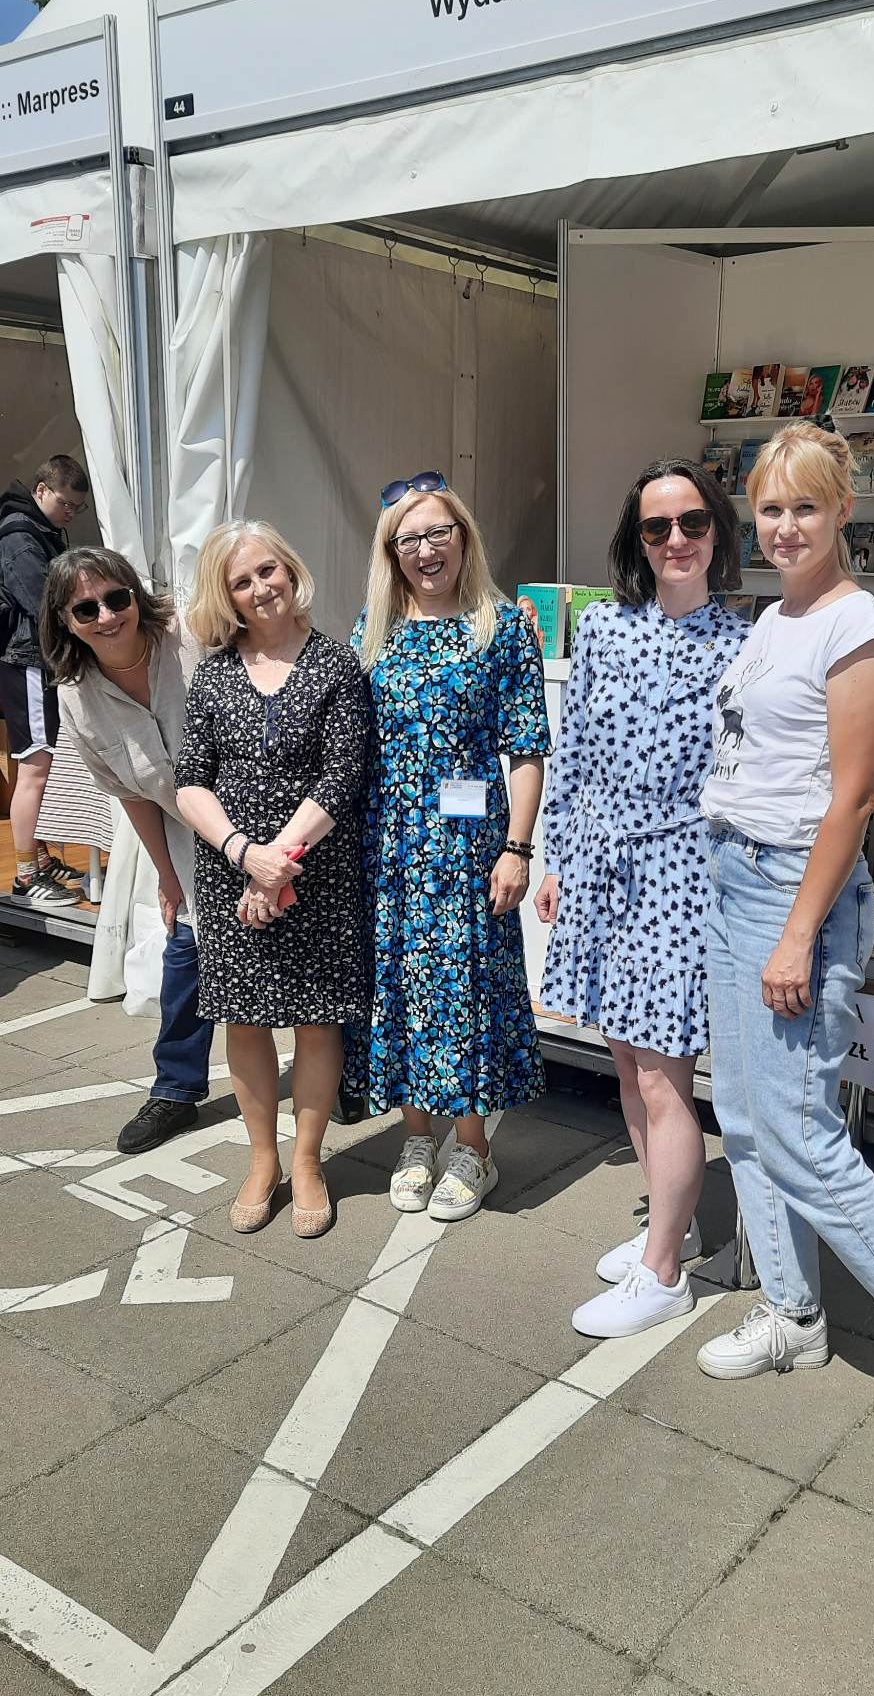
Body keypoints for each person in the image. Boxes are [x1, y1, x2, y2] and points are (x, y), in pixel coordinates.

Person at [698, 421, 874, 1433]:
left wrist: (798, 935)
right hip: (732, 876)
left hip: (793, 890)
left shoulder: (857, 629)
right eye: (770, 508)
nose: (785, 525)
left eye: (805, 506)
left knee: (800, 1132)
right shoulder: (774, 616)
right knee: (746, 1119)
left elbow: (852, 801)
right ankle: (792, 1312)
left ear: (843, 509)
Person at [535, 461, 748, 1338]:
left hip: (681, 874)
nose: (676, 540)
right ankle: (675, 1221)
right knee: (625, 1062)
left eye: (692, 522)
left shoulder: (745, 644)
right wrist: (555, 857)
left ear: (717, 531)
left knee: (665, 1079)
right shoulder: (604, 630)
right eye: (657, 527)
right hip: (599, 865)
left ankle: (662, 1275)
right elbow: (574, 751)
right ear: (637, 541)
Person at [352, 470, 549, 1223]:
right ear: (390, 552)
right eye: (409, 539)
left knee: (466, 994)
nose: (426, 550)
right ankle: (416, 1138)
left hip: (469, 849)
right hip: (389, 846)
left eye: (440, 532)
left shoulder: (500, 628)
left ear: (464, 538)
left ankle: (473, 1148)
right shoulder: (371, 629)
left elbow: (526, 749)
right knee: (399, 990)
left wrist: (517, 848)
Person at [175, 521, 372, 1237]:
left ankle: (308, 1160)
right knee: (246, 1019)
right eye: (241, 581)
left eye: (268, 571)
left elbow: (344, 773)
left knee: (317, 1019)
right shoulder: (213, 674)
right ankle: (262, 1160)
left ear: (290, 571)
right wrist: (243, 855)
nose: (260, 588)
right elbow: (189, 781)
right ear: (224, 596)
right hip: (231, 875)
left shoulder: (335, 664)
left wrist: (275, 864)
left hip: (315, 870)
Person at [39, 548, 214, 1155]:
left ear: (136, 596)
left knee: (304, 947)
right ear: (65, 621)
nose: (107, 616)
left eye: (117, 598)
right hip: (187, 837)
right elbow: (132, 794)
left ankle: (343, 1069)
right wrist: (166, 875)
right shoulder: (76, 697)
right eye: (86, 609)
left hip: (262, 819)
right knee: (185, 955)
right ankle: (176, 1092)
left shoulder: (191, 640)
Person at [0, 457, 91, 906]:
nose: (70, 513)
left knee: (40, 768)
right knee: (36, 769)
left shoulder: (38, 530)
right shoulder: (19, 536)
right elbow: (42, 604)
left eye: (77, 507)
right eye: (65, 503)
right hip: (28, 663)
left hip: (36, 662)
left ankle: (37, 857)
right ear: (40, 491)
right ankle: (24, 876)